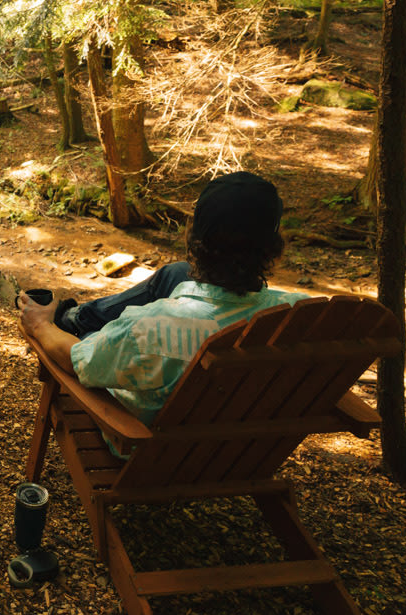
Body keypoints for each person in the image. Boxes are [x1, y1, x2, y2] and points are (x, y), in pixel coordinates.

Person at [19, 171, 310, 426]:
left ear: (195, 240)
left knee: (86, 337)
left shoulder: (149, 329)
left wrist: (41, 325)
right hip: (238, 445)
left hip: (143, 441)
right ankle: (76, 317)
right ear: (274, 248)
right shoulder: (300, 315)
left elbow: (75, 360)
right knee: (176, 274)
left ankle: (71, 322)